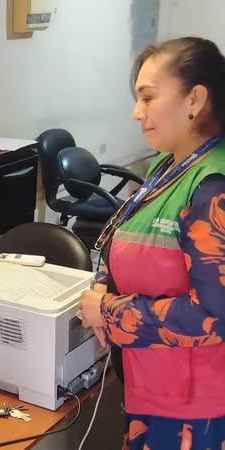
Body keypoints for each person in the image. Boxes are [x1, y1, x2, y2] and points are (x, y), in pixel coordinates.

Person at [78, 36, 225, 450]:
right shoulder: (169, 164)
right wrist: (104, 283)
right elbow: (129, 234)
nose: (136, 112)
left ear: (194, 99)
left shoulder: (212, 188)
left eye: (147, 97)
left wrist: (109, 312)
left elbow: (214, 316)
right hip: (153, 385)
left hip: (193, 411)